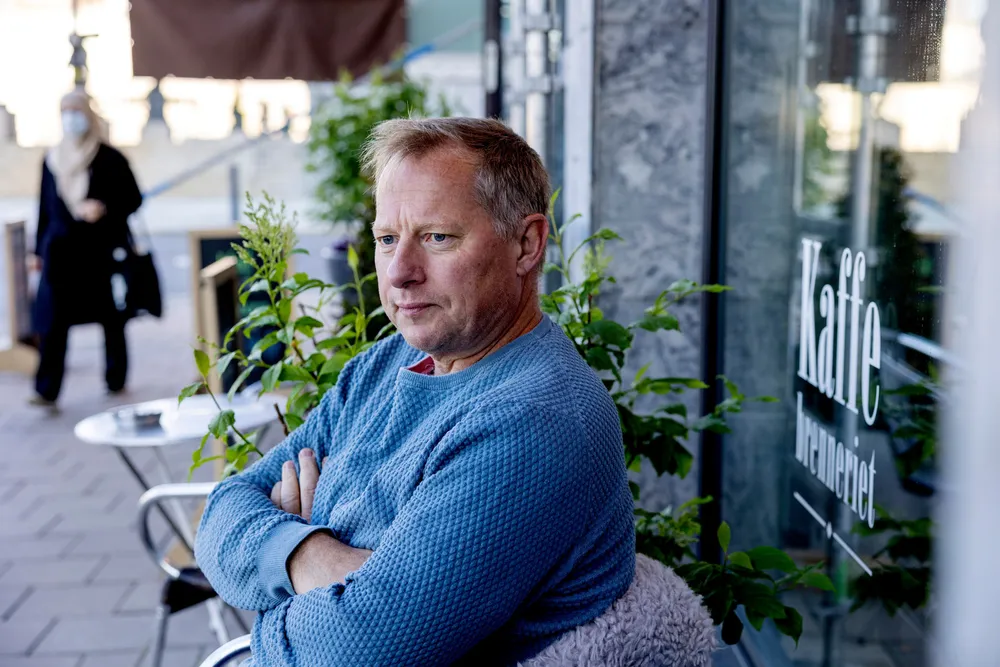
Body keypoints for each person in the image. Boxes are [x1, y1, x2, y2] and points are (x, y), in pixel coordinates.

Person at [195, 118, 636, 665]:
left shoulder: (534, 420)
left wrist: (273, 583)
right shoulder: (385, 364)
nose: (400, 272)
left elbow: (354, 651)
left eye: (437, 237)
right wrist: (308, 555)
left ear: (527, 244)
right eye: (386, 239)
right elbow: (223, 512)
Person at [29, 89, 142, 409]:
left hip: (98, 252)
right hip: (59, 253)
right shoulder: (51, 159)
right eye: (65, 110)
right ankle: (46, 389)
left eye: (76, 110)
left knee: (110, 318)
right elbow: (44, 209)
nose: (70, 118)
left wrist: (104, 208)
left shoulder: (109, 158)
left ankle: (115, 378)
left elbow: (133, 199)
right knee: (52, 321)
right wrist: (36, 252)